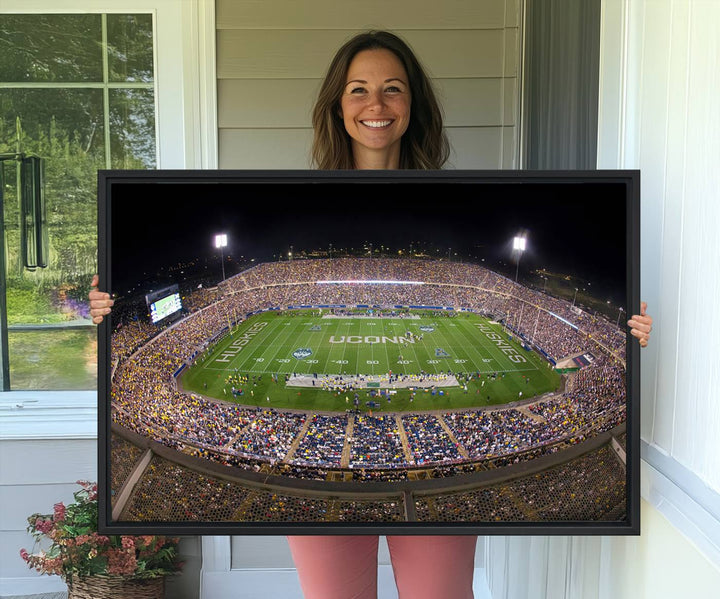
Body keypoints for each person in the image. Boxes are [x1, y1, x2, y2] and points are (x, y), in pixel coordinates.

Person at [89, 29, 653, 599]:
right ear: (338, 104)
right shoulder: (297, 189)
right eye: (358, 89)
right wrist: (104, 312)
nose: (375, 105)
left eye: (393, 89)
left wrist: (630, 335)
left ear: (413, 105)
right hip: (322, 505)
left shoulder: (455, 191)